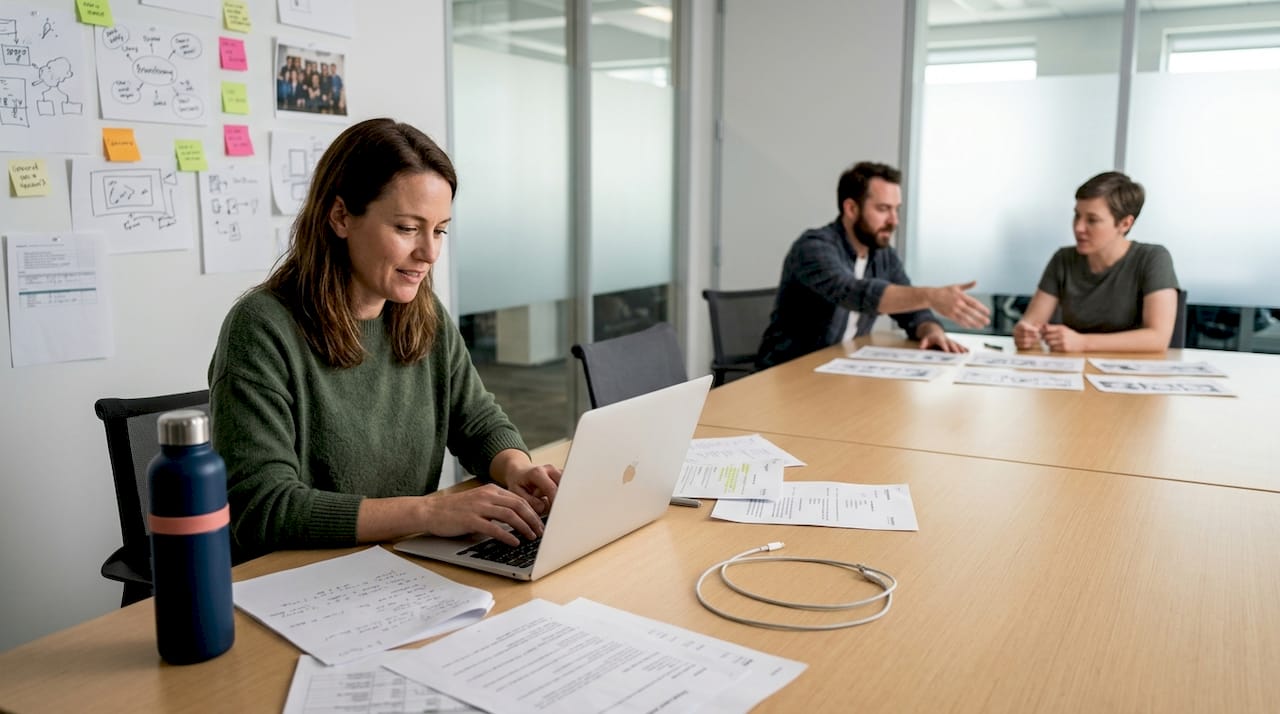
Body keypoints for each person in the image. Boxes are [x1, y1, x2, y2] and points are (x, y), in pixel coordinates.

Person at [208, 118, 561, 562]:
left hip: (398, 562)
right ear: (341, 217)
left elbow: (476, 422)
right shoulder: (261, 328)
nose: (429, 254)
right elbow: (262, 508)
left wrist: (518, 468)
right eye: (408, 229)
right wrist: (429, 512)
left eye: (440, 230)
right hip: (296, 576)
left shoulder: (422, 314)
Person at [756, 161, 990, 368]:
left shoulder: (882, 254)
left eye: (896, 210)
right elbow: (853, 293)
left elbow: (913, 310)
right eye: (883, 209)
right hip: (791, 373)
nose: (893, 221)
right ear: (851, 209)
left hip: (841, 370)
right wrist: (931, 295)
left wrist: (932, 331)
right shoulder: (813, 248)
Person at [1014, 171, 1178, 353]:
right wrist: (1025, 334)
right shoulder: (1063, 259)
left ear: (1125, 224)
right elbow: (1030, 322)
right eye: (1077, 216)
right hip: (1072, 370)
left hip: (1130, 372)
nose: (1078, 228)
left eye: (1092, 220)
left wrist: (1082, 342)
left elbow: (1158, 338)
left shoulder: (1153, 258)